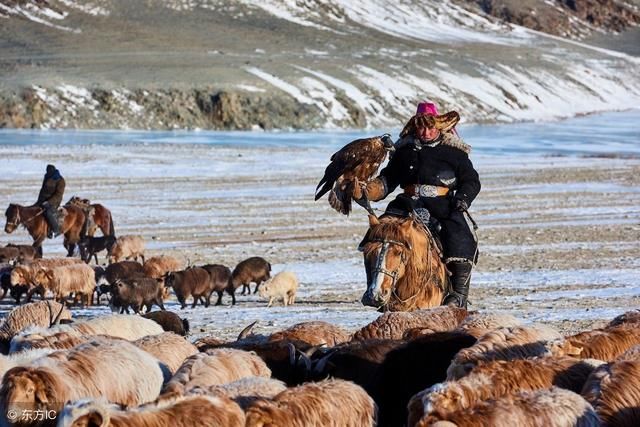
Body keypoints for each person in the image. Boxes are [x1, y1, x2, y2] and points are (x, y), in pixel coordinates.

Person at [356, 101, 480, 308]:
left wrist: (463, 198)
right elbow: (388, 180)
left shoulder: (454, 152)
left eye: (430, 127)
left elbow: (471, 180)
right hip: (406, 204)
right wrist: (368, 191)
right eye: (421, 127)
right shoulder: (404, 152)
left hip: (443, 205)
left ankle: (458, 296)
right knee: (377, 236)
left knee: (461, 238)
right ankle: (375, 289)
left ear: (438, 126)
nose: (426, 131)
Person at [36, 164, 66, 238]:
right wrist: (39, 201)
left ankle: (56, 230)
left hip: (54, 202)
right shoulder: (47, 176)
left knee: (48, 212)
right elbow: (42, 190)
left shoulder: (60, 180)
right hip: (43, 200)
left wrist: (49, 202)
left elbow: (58, 195)